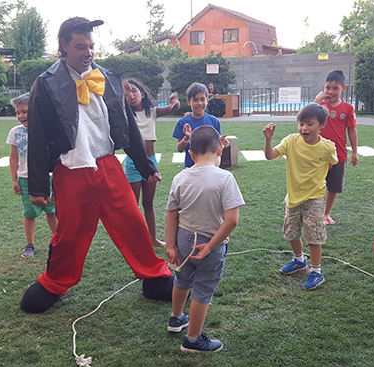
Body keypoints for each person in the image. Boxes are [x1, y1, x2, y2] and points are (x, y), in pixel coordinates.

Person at [20, 17, 173, 313]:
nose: (88, 52)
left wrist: (145, 165)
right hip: (71, 169)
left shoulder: (107, 77)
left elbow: (128, 125)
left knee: (132, 222)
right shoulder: (47, 83)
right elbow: (37, 134)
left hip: (109, 166)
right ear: (63, 45)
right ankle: (54, 282)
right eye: (80, 46)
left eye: (91, 46)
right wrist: (38, 185)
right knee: (70, 233)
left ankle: (154, 276)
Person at [165, 125, 244, 352]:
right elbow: (231, 221)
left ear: (191, 154)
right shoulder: (225, 178)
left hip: (182, 240)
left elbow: (172, 214)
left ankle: (176, 318)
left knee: (181, 280)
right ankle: (193, 340)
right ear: (220, 151)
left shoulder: (180, 177)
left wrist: (170, 246)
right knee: (203, 290)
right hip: (210, 243)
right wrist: (210, 246)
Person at [263, 104, 338, 289]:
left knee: (313, 237)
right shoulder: (291, 141)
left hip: (314, 199)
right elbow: (270, 155)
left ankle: (316, 271)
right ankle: (299, 261)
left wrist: (316, 181)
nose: (304, 128)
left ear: (322, 125)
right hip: (292, 198)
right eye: (301, 123)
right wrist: (268, 139)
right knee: (292, 233)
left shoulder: (327, 147)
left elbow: (330, 164)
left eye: (310, 124)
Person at [121, 78, 180, 247]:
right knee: (133, 205)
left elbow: (173, 108)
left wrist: (175, 102)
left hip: (151, 164)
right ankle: (133, 240)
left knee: (148, 203)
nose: (131, 96)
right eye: (126, 94)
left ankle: (153, 239)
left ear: (142, 94)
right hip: (132, 164)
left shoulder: (152, 112)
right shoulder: (126, 116)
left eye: (133, 90)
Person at [7, 93, 58, 258]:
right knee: (29, 212)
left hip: (48, 177)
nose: (21, 116)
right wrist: (14, 179)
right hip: (26, 178)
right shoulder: (15, 132)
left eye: (24, 111)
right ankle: (29, 244)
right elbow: (13, 157)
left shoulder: (47, 130)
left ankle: (58, 240)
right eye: (17, 112)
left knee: (52, 210)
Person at [313, 69, 359, 225]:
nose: (330, 91)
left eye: (335, 88)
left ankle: (326, 214)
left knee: (333, 187)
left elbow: (351, 130)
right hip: (317, 153)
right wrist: (317, 100)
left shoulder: (348, 108)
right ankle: (312, 212)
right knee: (314, 184)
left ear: (343, 89)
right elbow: (308, 118)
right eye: (328, 88)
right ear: (323, 87)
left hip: (338, 154)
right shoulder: (320, 106)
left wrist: (355, 152)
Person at [172, 82, 224, 168]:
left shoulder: (214, 121)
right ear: (189, 102)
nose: (199, 103)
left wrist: (220, 142)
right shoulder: (182, 123)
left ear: (207, 101)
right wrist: (186, 138)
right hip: (191, 169)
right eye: (195, 100)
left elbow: (216, 149)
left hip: (210, 169)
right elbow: (180, 149)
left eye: (202, 99)